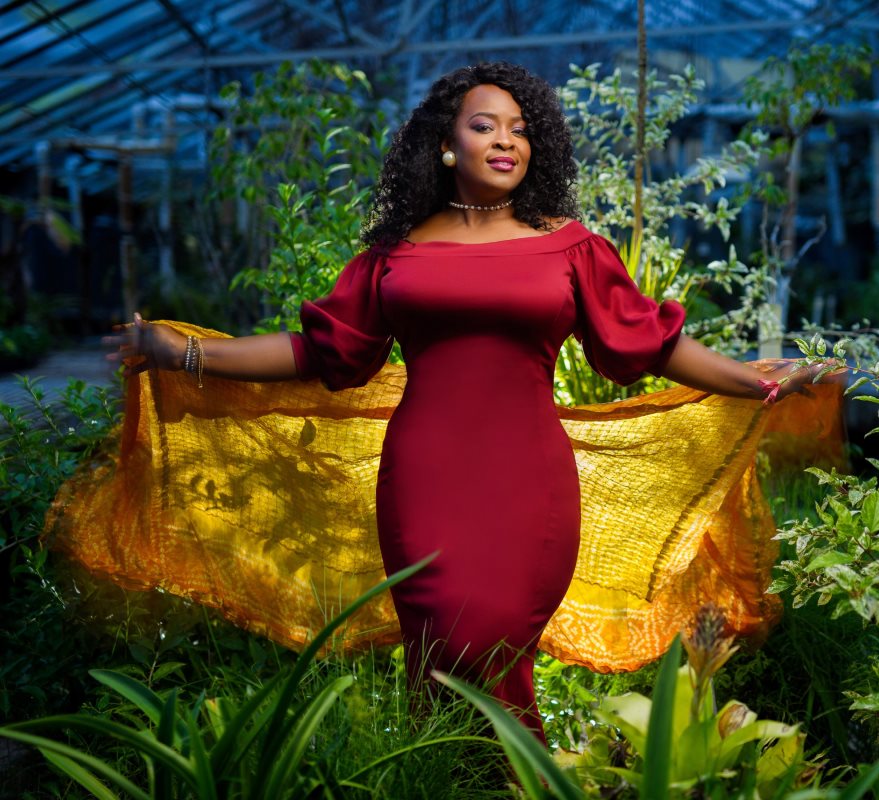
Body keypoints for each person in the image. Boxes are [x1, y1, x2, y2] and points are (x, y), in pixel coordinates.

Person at [107, 61, 835, 743]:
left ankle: (505, 777)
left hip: (529, 484)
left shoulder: (572, 248)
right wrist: (186, 353)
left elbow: (649, 343)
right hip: (425, 480)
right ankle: (455, 775)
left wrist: (758, 380)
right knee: (440, 644)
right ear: (446, 144)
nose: (506, 140)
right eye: (485, 125)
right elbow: (321, 351)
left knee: (493, 640)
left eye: (520, 128)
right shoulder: (394, 255)